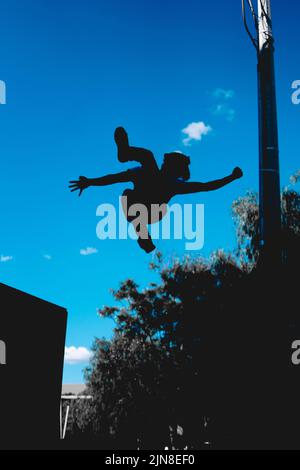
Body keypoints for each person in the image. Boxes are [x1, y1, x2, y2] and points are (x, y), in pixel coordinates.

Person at [69, 127, 243, 253]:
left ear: (173, 170)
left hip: (153, 212)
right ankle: (125, 153)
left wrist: (231, 177)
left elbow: (206, 187)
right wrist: (91, 181)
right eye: (165, 165)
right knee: (139, 173)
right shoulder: (151, 175)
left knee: (138, 177)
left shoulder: (172, 184)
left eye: (167, 166)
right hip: (143, 209)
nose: (163, 166)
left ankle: (141, 230)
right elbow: (115, 178)